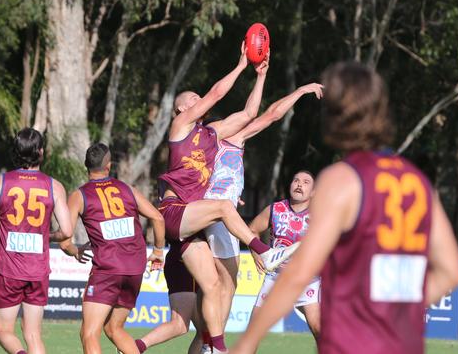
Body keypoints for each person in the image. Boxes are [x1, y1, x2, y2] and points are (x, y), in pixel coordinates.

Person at [231, 62, 458, 354]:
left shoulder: (342, 180)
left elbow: (300, 272)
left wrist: (248, 341)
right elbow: (451, 271)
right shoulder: (417, 182)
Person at [138, 45, 290, 354]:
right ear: (180, 110)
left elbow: (249, 115)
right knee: (223, 207)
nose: (197, 100)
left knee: (213, 286)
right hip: (173, 210)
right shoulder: (180, 128)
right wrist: (241, 64)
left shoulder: (213, 134)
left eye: (197, 97)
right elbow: (216, 94)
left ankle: (215, 348)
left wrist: (260, 76)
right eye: (190, 99)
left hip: (191, 224)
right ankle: (263, 249)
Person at [201, 83, 324, 343]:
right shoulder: (201, 147)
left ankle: (211, 346)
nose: (234, 124)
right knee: (217, 288)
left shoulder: (229, 142)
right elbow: (268, 115)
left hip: (303, 275)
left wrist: (299, 91)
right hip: (209, 216)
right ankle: (213, 346)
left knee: (223, 287)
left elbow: (271, 115)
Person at [53, 143, 165, 354]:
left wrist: (75, 251)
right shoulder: (126, 189)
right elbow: (158, 217)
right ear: (109, 166)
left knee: (89, 333)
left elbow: (64, 240)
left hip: (108, 270)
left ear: (87, 166)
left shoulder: (79, 195)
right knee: (114, 328)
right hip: (134, 268)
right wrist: (158, 252)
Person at [0, 128, 73, 354]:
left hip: (8, 270)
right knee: (33, 334)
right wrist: (46, 237)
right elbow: (66, 231)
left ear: (16, 152)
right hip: (38, 270)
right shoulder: (54, 186)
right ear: (41, 152)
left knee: (3, 331)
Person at [248, 170, 320, 351]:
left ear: (313, 192)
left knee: (319, 328)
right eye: (296, 180)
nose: (299, 184)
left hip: (307, 280)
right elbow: (252, 230)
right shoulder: (275, 209)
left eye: (305, 182)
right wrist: (257, 254)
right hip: (275, 278)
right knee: (253, 332)